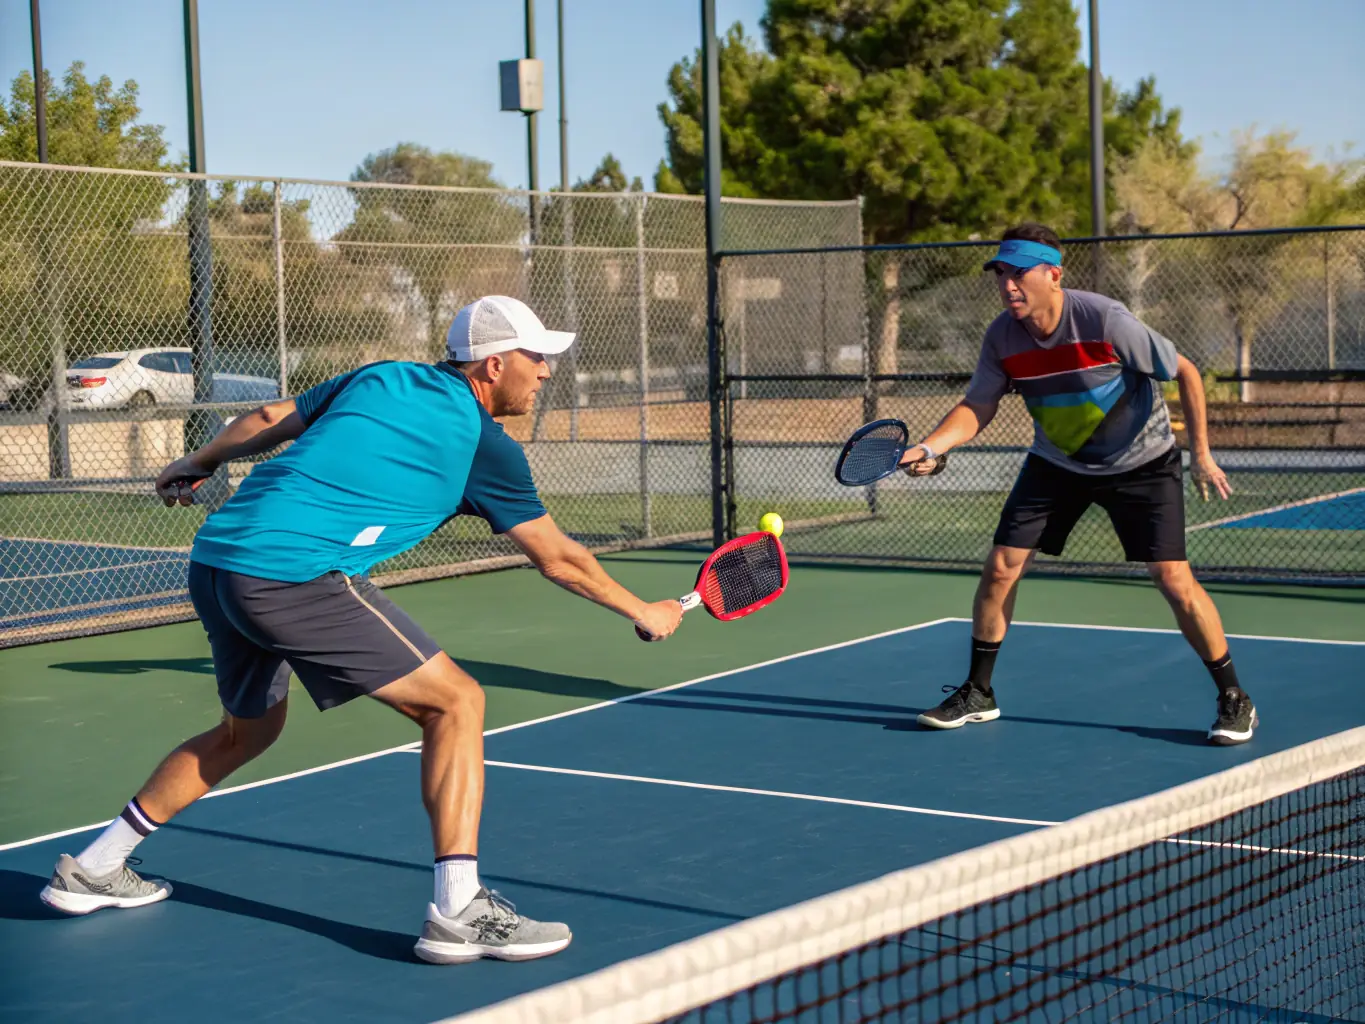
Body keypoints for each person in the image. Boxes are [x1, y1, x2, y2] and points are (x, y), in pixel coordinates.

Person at [38, 295, 685, 965]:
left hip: (218, 559)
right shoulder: (484, 446)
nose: (547, 371)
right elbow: (560, 559)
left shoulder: (383, 374)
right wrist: (644, 609)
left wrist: (200, 459)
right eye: (537, 357)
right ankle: (460, 910)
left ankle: (95, 868)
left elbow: (267, 417)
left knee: (248, 731)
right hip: (293, 574)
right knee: (458, 702)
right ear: (493, 365)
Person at [899, 223, 1256, 746]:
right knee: (1001, 566)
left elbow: (1186, 371)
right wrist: (934, 447)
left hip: (1143, 461)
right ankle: (979, 692)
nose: (1008, 285)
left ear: (1053, 274)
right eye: (1000, 274)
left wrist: (1202, 454)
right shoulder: (1002, 336)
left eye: (1019, 273)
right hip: (1058, 462)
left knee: (1173, 579)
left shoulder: (1105, 319)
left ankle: (1234, 698)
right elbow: (979, 404)